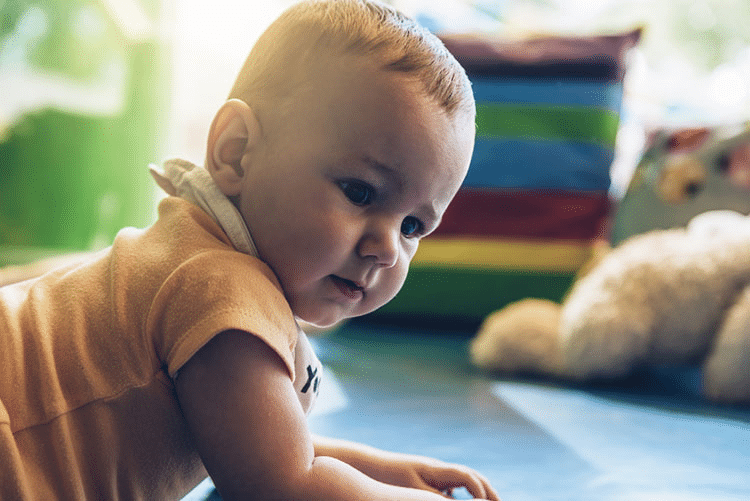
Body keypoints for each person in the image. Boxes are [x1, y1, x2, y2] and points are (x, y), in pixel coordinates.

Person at [0, 1, 500, 499]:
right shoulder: (222, 289)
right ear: (235, 152)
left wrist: (385, 472)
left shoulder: (198, 251)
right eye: (360, 192)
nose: (387, 249)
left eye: (413, 225)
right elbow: (283, 486)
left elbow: (261, 446)